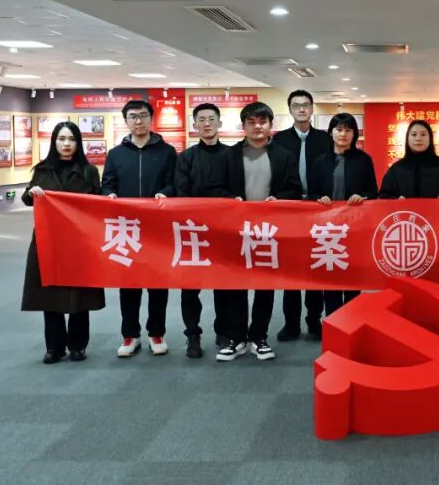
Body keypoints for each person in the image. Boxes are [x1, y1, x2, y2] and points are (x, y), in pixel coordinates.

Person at [217, 101, 302, 362]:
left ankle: (259, 337)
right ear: (243, 126)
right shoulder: (228, 155)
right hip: (236, 230)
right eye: (252, 122)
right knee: (236, 286)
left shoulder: (284, 156)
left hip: (268, 231)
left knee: (265, 286)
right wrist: (231, 199)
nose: (257, 127)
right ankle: (236, 338)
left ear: (270, 125)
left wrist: (279, 199)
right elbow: (216, 187)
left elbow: (295, 189)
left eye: (262, 121)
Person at [21, 122, 105, 364]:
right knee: (50, 295)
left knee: (80, 296)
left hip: (79, 242)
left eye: (71, 139)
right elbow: (27, 197)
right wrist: (32, 192)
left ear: (78, 143)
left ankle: (78, 346)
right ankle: (54, 347)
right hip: (48, 241)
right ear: (54, 141)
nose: (66, 144)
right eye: (61, 139)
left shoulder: (89, 171)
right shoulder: (42, 170)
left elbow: (97, 202)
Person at [101, 99, 177, 358]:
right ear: (126, 121)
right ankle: (130, 335)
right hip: (127, 228)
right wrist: (109, 194)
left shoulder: (167, 152)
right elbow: (107, 183)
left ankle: (157, 333)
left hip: (157, 228)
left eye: (143, 115)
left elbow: (174, 183)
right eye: (133, 116)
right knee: (129, 284)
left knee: (158, 284)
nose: (138, 121)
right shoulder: (116, 154)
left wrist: (165, 193)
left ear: (151, 119)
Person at [271, 90, 333, 342]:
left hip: (319, 209)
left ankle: (314, 320)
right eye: (296, 105)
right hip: (289, 209)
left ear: (312, 108)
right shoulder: (279, 140)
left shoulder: (325, 139)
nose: (301, 109)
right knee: (291, 269)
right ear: (290, 110)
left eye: (305, 105)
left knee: (315, 267)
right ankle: (291, 323)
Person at [175, 102, 232, 359]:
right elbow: (180, 193)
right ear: (194, 125)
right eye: (201, 119)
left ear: (219, 123)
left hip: (224, 230)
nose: (207, 124)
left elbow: (237, 190)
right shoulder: (186, 157)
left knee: (224, 286)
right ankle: (193, 335)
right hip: (193, 231)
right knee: (190, 287)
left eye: (211, 119)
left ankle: (223, 332)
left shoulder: (232, 155)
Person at [308, 112, 378, 314]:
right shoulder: (320, 161)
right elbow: (312, 193)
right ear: (331, 132)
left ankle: (352, 322)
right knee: (331, 280)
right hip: (328, 229)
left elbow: (373, 192)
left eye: (348, 130)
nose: (343, 134)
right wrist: (319, 198)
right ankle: (333, 322)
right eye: (339, 129)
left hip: (354, 228)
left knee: (353, 279)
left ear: (354, 134)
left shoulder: (364, 160)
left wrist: (362, 196)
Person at [379, 119, 439, 199]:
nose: (418, 138)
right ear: (407, 139)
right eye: (414, 134)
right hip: (405, 210)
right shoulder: (396, 169)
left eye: (423, 134)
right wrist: (396, 200)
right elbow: (384, 196)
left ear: (430, 138)